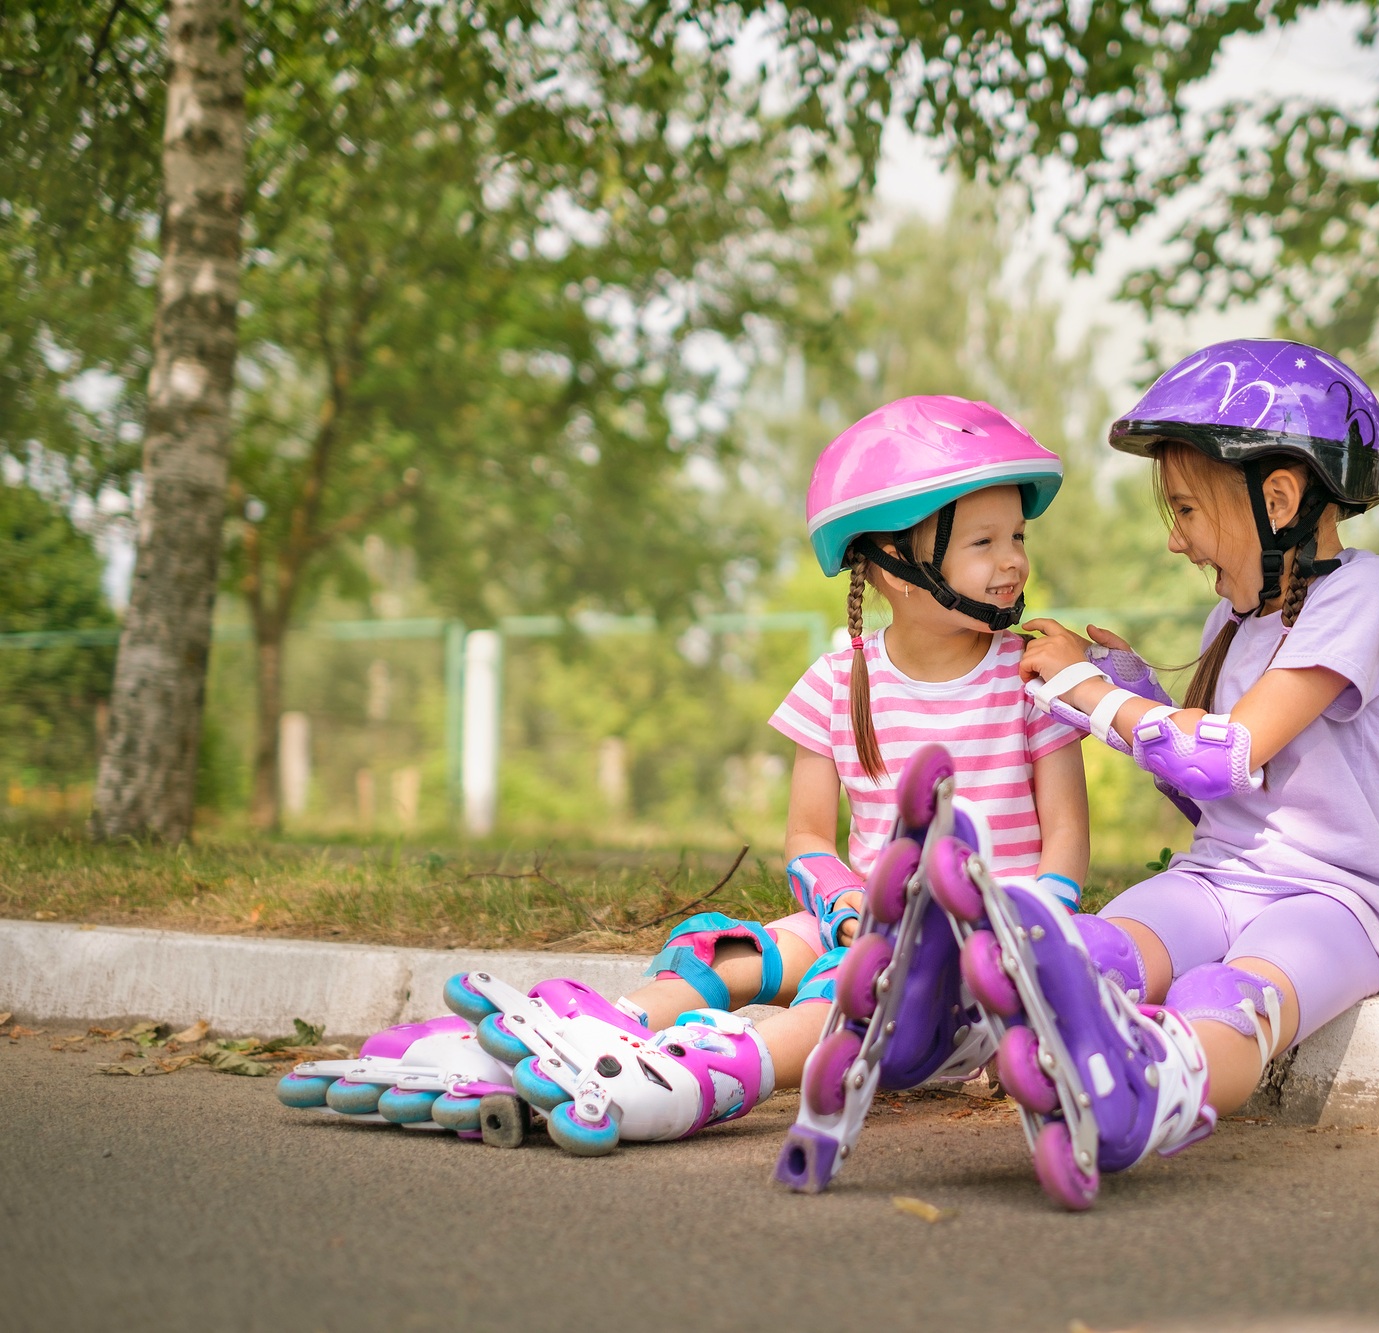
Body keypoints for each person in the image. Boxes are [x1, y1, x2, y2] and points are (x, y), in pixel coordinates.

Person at [283, 395, 1090, 1157]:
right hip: (862, 919)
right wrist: (844, 900)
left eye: (1016, 537)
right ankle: (591, 1033)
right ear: (887, 563)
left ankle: (704, 1072)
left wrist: (1028, 947)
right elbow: (808, 837)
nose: (1012, 561)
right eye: (984, 542)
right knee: (735, 949)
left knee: (851, 981)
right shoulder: (840, 676)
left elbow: (1065, 848)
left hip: (975, 956)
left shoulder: (1030, 676)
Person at [928, 338, 1379, 1208]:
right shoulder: (1231, 622)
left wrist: (1092, 697)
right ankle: (1022, 1025)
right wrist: (1131, 690)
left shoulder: (1364, 598)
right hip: (1215, 877)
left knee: (1225, 995)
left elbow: (1229, 749)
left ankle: (1151, 1095)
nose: (1175, 539)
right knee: (1102, 946)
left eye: (1189, 509)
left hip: (1335, 900)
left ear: (1279, 498)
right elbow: (1209, 789)